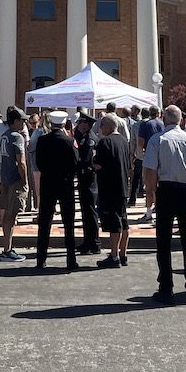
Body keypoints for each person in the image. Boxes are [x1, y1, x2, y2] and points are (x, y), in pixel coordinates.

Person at [144, 105, 186, 304]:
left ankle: (166, 287)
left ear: (164, 118)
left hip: (166, 190)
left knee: (163, 240)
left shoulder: (158, 140)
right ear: (182, 120)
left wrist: (151, 192)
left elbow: (150, 170)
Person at [35, 110, 81, 271]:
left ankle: (41, 259)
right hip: (65, 183)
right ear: (63, 124)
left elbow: (39, 163)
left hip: (47, 183)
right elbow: (76, 162)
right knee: (68, 223)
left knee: (44, 222)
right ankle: (70, 259)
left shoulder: (42, 140)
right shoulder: (70, 141)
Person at [93, 113, 131, 269]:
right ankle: (123, 254)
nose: (100, 128)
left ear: (108, 125)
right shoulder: (123, 141)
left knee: (115, 223)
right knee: (123, 221)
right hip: (122, 186)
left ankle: (114, 255)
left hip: (109, 187)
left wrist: (91, 162)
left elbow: (98, 164)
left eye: (102, 125)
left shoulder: (105, 142)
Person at [0, 107, 29, 261]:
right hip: (15, 180)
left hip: (5, 178)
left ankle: (6, 247)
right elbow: (21, 162)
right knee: (11, 215)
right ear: (15, 121)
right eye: (22, 120)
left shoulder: (5, 135)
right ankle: (7, 250)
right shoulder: (17, 137)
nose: (24, 123)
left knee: (6, 215)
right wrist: (25, 180)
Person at [74, 112, 101, 254]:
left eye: (80, 123)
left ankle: (94, 243)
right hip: (85, 178)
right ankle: (87, 241)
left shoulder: (90, 139)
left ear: (86, 124)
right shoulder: (84, 137)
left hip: (89, 178)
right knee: (86, 211)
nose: (78, 125)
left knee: (90, 212)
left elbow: (86, 160)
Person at [136, 106, 165, 225]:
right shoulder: (163, 124)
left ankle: (148, 214)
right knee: (160, 187)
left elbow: (140, 142)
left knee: (149, 186)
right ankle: (159, 212)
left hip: (149, 157)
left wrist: (139, 154)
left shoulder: (145, 124)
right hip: (163, 157)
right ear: (158, 113)